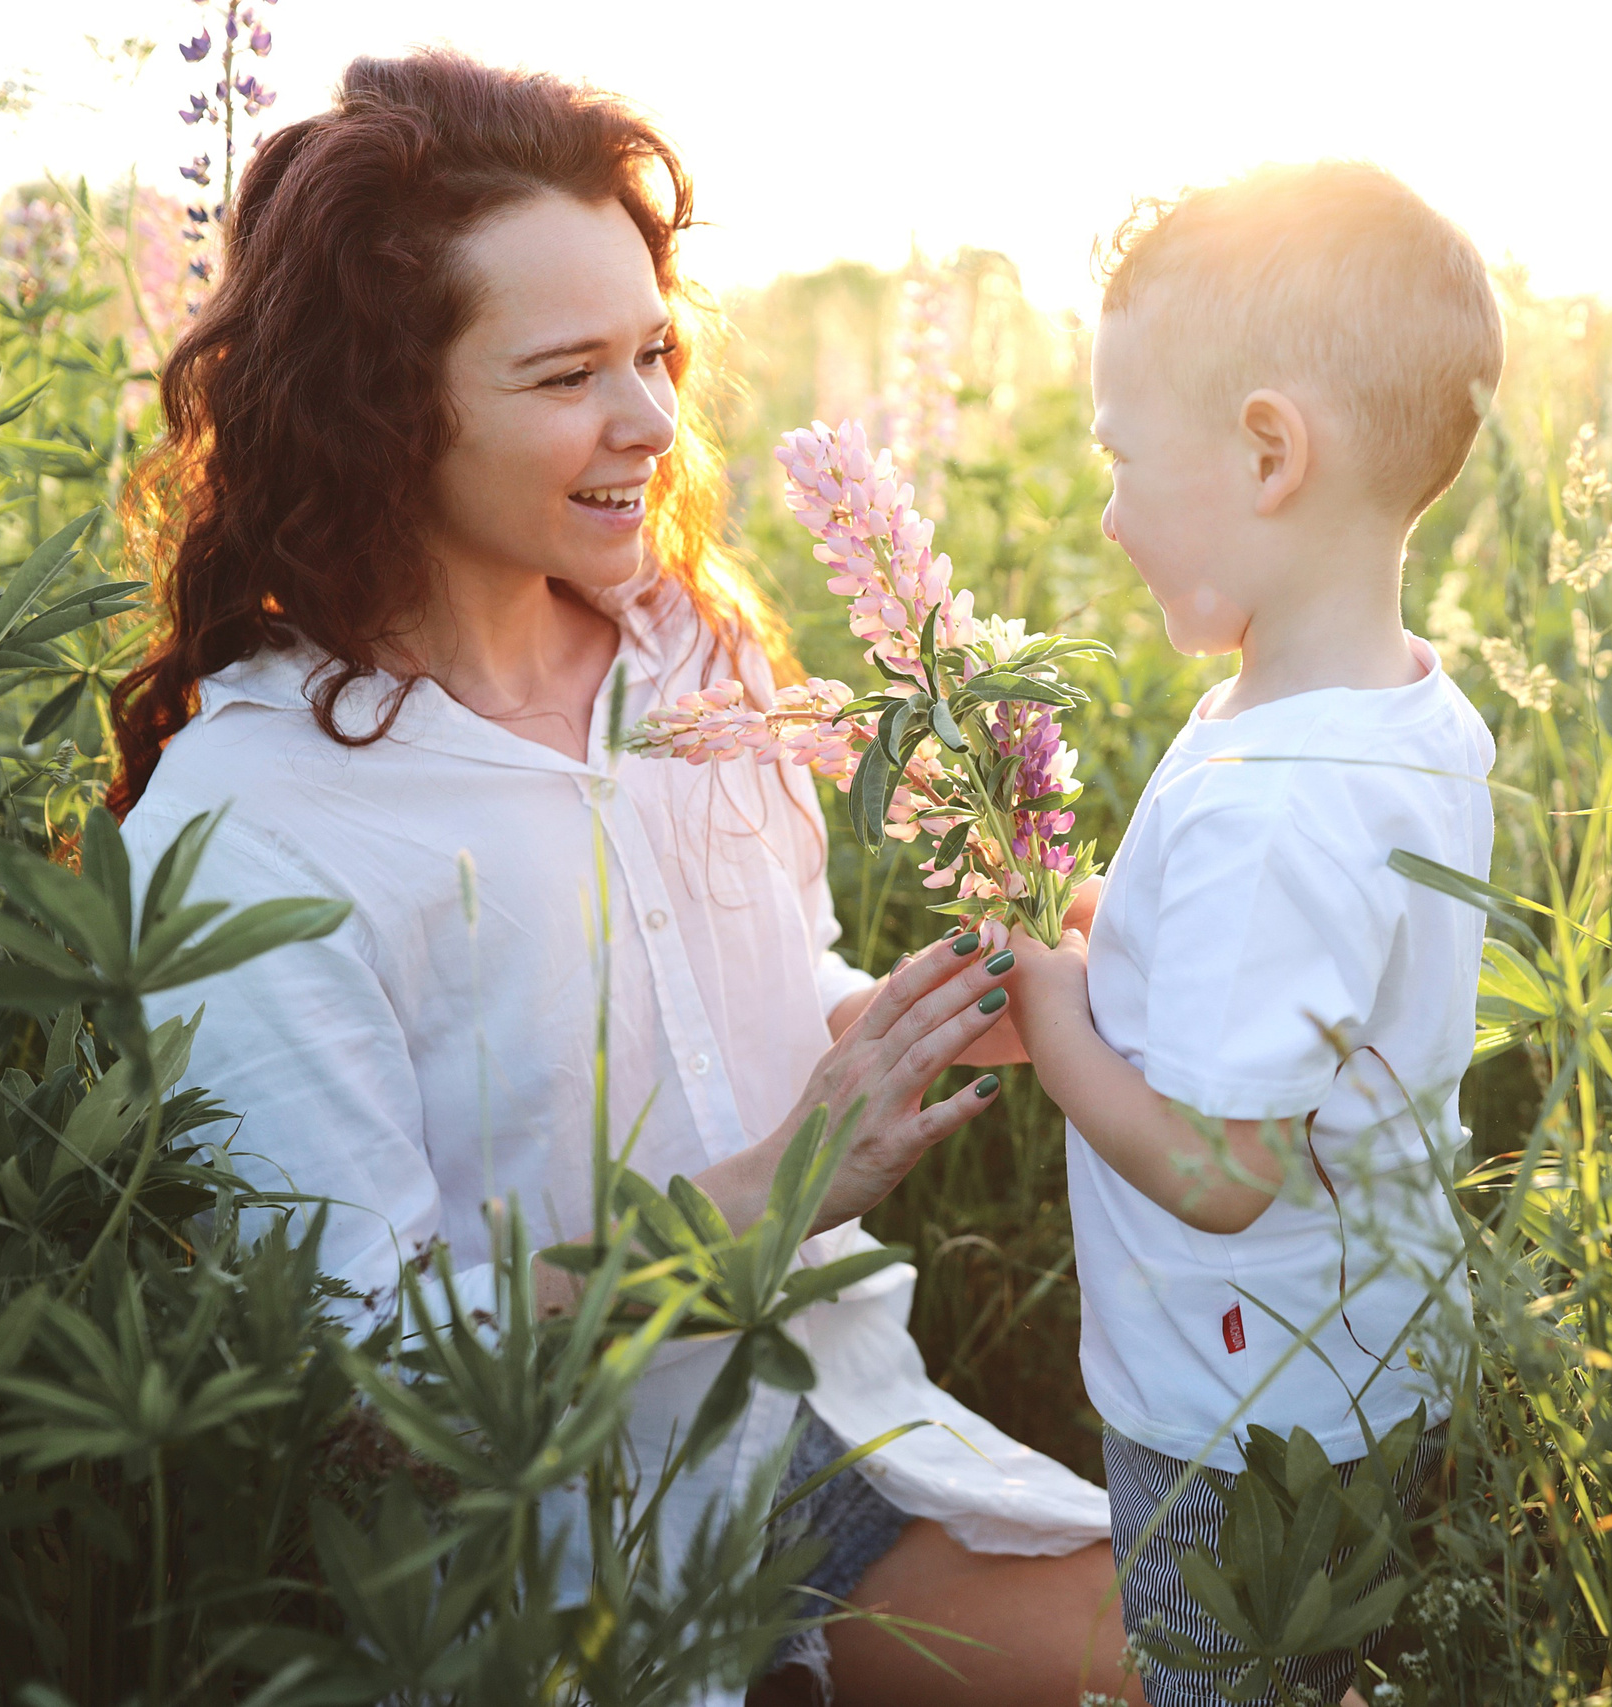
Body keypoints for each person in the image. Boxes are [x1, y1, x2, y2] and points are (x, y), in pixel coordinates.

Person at [110, 52, 1140, 1707]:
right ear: (388, 406)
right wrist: (760, 1197)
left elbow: (756, 997)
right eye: (569, 373)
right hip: (569, 1577)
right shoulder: (256, 818)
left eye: (655, 351)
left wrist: (933, 1014)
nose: (653, 421)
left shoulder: (690, 653)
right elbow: (361, 1401)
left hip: (834, 1433)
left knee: (1267, 1662)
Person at [1003, 163, 1504, 1706]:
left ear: (1267, 451)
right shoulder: (1403, 716)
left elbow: (1224, 1173)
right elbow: (1321, 985)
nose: (1108, 508)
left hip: (1228, 1407)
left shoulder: (1268, 799)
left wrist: (1056, 1014)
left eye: (1124, 457)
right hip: (1361, 1372)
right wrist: (1126, 931)